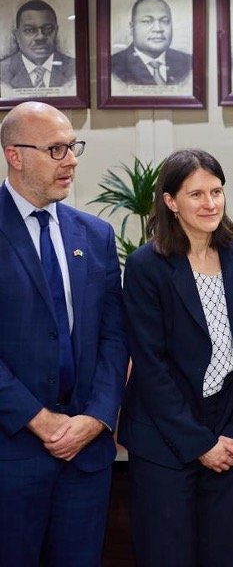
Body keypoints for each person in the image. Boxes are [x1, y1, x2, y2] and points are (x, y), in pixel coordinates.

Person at [0, 101, 127, 565]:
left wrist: (97, 417)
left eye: (73, 147)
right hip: (12, 452)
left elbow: (114, 337)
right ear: (15, 155)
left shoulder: (95, 234)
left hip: (86, 456)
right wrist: (38, 418)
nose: (71, 160)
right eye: (56, 149)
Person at [119, 149, 233, 566]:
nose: (210, 203)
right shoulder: (146, 266)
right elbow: (150, 366)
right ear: (171, 201)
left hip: (228, 436)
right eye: (196, 194)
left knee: (228, 554)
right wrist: (199, 443)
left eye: (216, 191)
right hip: (164, 438)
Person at [111, 0, 192, 86]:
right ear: (132, 27)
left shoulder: (188, 63)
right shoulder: (112, 66)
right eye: (147, 21)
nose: (158, 29)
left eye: (165, 21)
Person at [0, 0, 75, 89]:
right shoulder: (2, 70)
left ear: (56, 31)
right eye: (30, 30)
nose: (40, 37)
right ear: (17, 35)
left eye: (48, 29)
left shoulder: (75, 68)